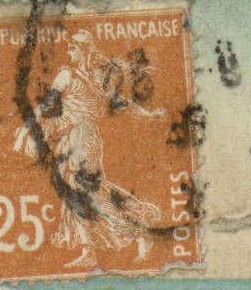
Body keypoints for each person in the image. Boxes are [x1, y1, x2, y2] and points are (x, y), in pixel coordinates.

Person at [13, 30, 168, 270]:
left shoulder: (79, 77)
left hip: (83, 138)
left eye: (73, 47)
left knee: (91, 193)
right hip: (70, 138)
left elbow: (121, 104)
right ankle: (90, 250)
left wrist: (25, 132)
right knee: (76, 193)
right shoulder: (76, 76)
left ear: (84, 50)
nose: (69, 51)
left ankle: (137, 233)